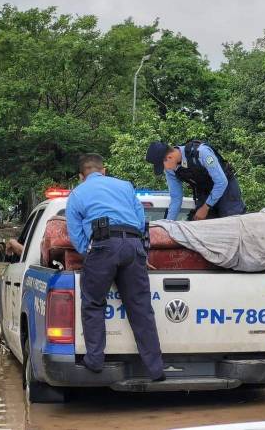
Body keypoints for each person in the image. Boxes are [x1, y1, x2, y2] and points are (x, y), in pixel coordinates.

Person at [66, 153, 165, 381]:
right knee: (141, 308)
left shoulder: (78, 193)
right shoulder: (126, 186)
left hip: (102, 247)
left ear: (82, 176)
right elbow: (141, 221)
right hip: (133, 245)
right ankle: (156, 369)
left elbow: (76, 234)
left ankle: (95, 360)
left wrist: (89, 255)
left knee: (92, 303)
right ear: (104, 170)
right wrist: (137, 250)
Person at [145, 140, 246, 221]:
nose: (165, 169)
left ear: (170, 157)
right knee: (199, 224)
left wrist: (206, 207)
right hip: (205, 191)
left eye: (163, 166)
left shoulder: (201, 152)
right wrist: (168, 224)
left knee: (231, 222)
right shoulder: (171, 169)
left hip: (226, 190)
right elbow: (176, 197)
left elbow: (221, 182)